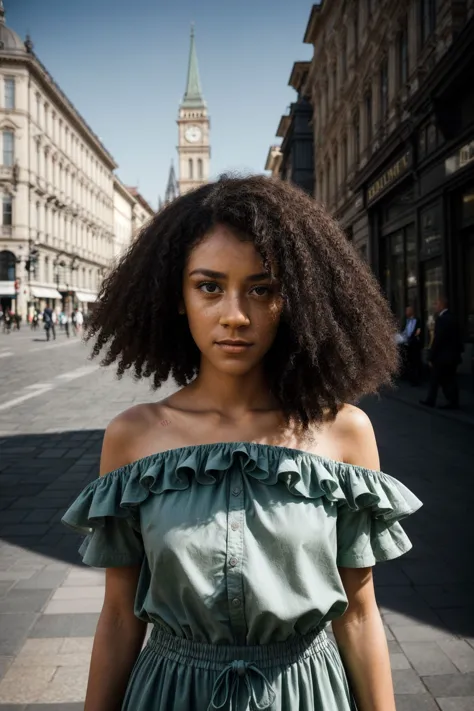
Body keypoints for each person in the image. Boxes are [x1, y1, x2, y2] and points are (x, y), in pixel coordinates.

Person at [62, 176, 422, 711]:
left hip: (305, 696)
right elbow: (119, 614)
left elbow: (360, 612)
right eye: (209, 286)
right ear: (177, 297)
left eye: (262, 289)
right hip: (170, 695)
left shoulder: (344, 432)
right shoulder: (132, 437)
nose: (235, 314)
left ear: (294, 299)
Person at [420, 296, 464, 410]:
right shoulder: (454, 318)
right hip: (452, 356)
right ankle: (450, 401)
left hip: (442, 357)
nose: (434, 306)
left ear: (442, 305)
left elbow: (438, 339)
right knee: (448, 379)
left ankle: (436, 401)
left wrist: (431, 356)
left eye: (436, 304)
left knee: (438, 379)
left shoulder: (441, 319)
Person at [399, 305, 422, 385]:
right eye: (406, 311)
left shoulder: (417, 320)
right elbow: (403, 330)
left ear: (412, 311)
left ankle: (415, 379)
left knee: (414, 362)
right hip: (405, 343)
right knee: (406, 360)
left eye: (408, 311)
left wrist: (413, 337)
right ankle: (405, 375)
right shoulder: (405, 320)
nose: (406, 312)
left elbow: (418, 332)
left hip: (413, 344)